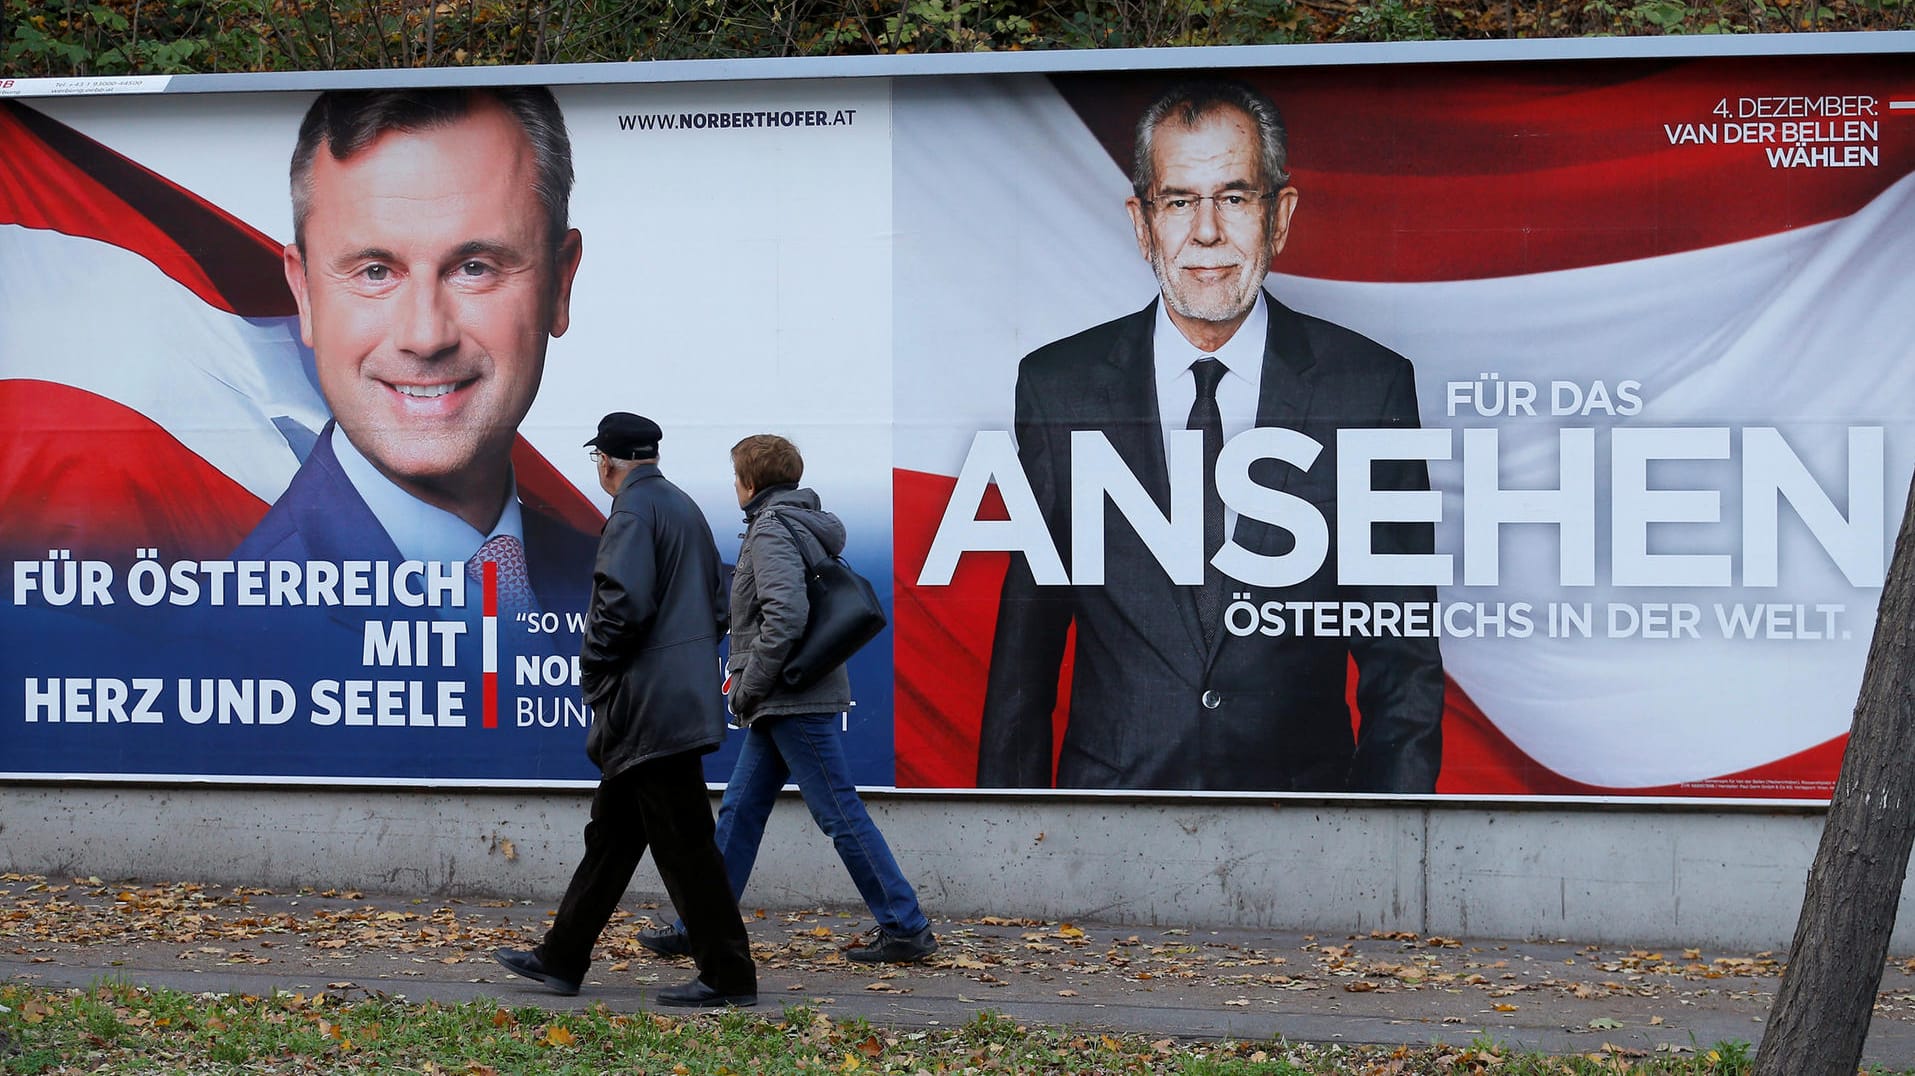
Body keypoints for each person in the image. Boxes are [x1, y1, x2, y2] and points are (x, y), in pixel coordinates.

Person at [976, 80, 1445, 794]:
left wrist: (1390, 846)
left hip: (1306, 816)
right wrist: (1005, 841)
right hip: (1110, 811)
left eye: (1232, 197)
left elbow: (1400, 654)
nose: (1205, 232)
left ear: (1277, 215)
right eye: (1177, 201)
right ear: (1142, 223)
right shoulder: (1057, 386)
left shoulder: (1368, 385)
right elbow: (1024, 652)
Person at [234, 87, 595, 614]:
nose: (426, 337)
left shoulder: (682, 604)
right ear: (305, 295)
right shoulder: (213, 651)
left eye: (475, 267)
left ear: (559, 285)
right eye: (375, 272)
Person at [636, 434, 937, 965]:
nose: (734, 485)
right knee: (741, 811)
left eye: (736, 476)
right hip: (786, 700)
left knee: (838, 813)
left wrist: (748, 687)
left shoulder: (772, 530)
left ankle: (905, 924)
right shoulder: (796, 523)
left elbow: (786, 618)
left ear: (750, 482)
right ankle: (701, 923)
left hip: (790, 698)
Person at [494, 412, 758, 1007]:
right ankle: (562, 957)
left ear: (606, 462)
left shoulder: (633, 512)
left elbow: (622, 604)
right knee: (612, 837)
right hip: (674, 700)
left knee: (686, 846)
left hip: (647, 709)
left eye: (598, 462)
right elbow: (719, 605)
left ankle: (729, 974)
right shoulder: (683, 506)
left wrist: (595, 670)